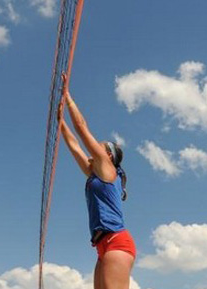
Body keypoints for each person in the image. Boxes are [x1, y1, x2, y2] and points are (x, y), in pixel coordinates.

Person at [57, 75, 135, 289]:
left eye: (100, 147)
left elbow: (81, 129)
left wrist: (68, 97)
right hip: (102, 244)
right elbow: (74, 146)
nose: (95, 148)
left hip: (117, 241)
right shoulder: (94, 173)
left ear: (108, 156)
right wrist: (59, 120)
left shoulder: (108, 170)